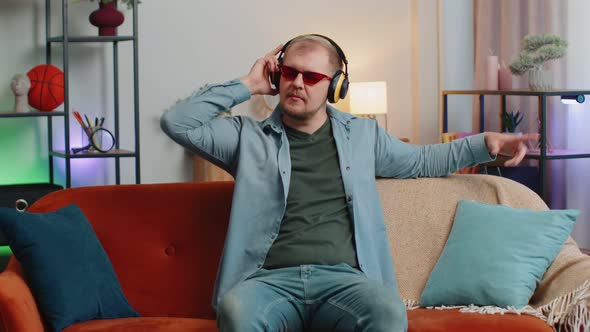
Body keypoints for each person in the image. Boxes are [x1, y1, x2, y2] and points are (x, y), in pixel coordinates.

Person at [160, 34, 537, 332]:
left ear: (336, 85)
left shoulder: (362, 135)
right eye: (289, 73)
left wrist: (485, 145)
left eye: (311, 77)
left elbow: (421, 160)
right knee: (236, 311)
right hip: (268, 283)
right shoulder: (247, 138)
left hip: (343, 282)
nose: (297, 84)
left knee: (389, 313)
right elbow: (177, 122)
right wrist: (248, 83)